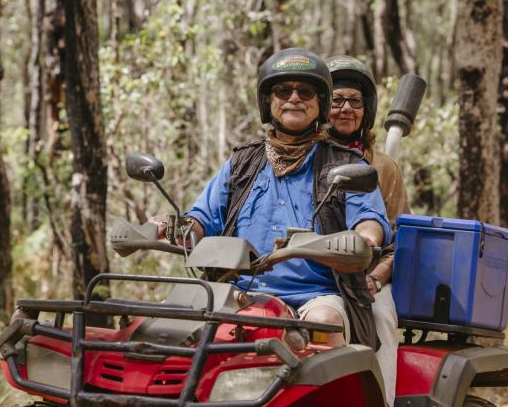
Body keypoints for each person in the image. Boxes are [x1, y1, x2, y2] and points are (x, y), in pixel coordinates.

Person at [157, 48, 391, 350]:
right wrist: (177, 228)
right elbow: (202, 218)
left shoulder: (347, 164)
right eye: (283, 90)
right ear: (269, 101)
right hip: (237, 292)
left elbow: (370, 224)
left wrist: (364, 239)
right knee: (168, 326)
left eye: (305, 91)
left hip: (316, 295)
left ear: (320, 103)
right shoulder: (242, 162)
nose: (294, 98)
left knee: (323, 325)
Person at [326, 54, 411, 406]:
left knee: (378, 318)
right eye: (337, 100)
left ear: (367, 109)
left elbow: (398, 238)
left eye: (355, 101)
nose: (346, 109)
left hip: (368, 278)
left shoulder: (383, 167)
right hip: (315, 275)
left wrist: (375, 277)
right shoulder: (304, 156)